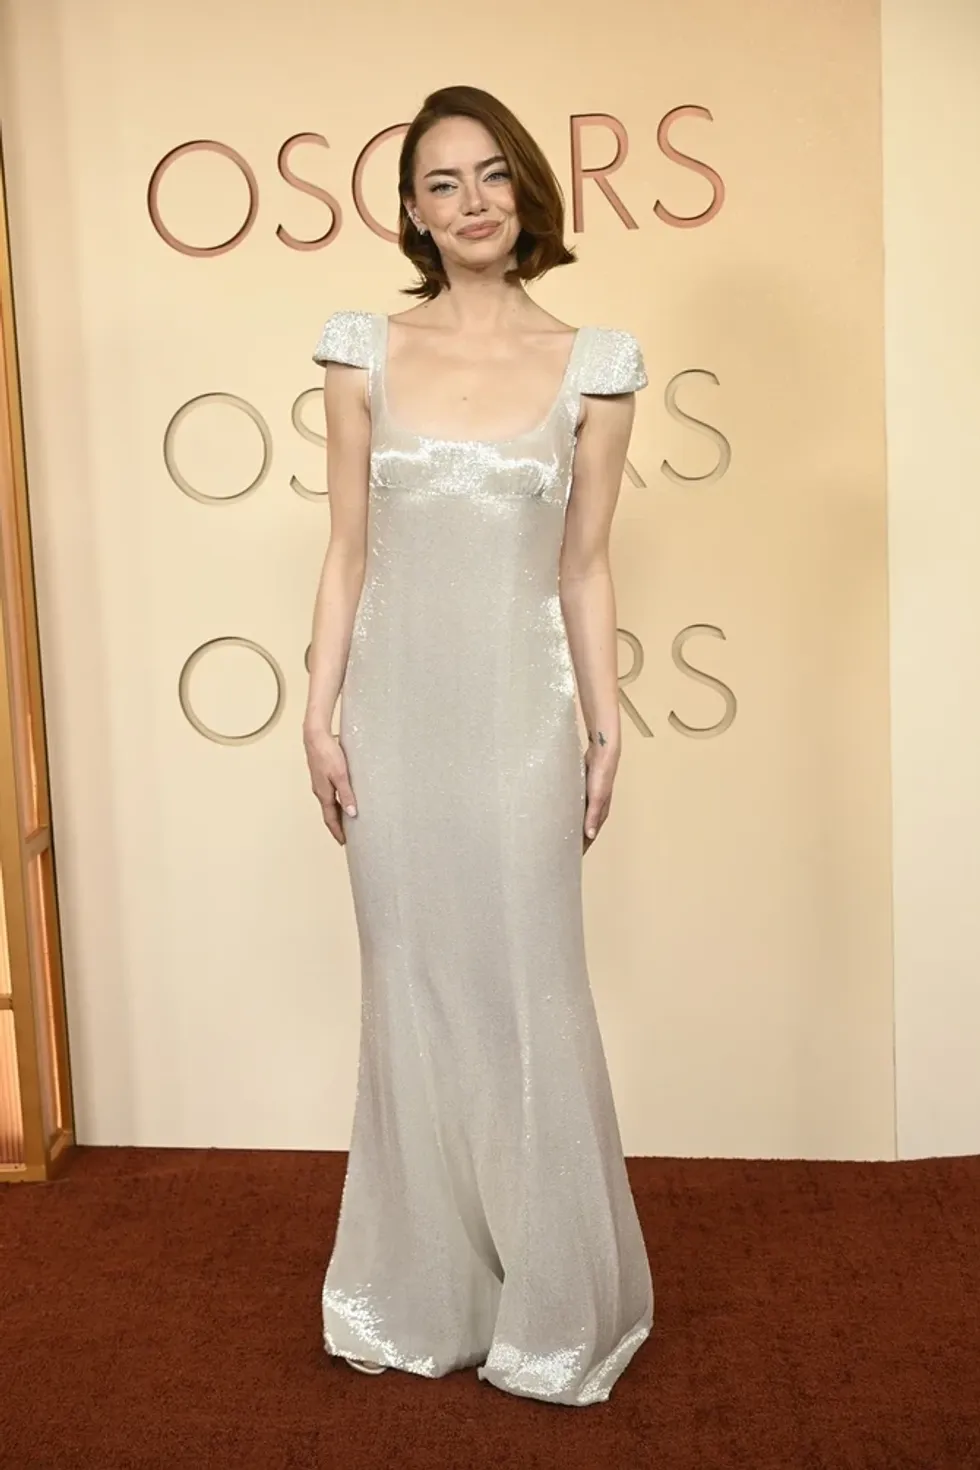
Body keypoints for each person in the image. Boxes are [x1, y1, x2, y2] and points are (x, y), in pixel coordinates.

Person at [302, 84, 654, 1407]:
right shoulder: (360, 353)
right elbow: (347, 551)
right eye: (442, 183)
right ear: (412, 211)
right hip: (393, 717)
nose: (472, 202)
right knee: (408, 988)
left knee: (527, 990)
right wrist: (319, 709)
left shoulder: (594, 365)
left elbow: (586, 566)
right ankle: (418, 1294)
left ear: (528, 193)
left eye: (493, 175)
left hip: (521, 720)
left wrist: (606, 725)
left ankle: (556, 1307)